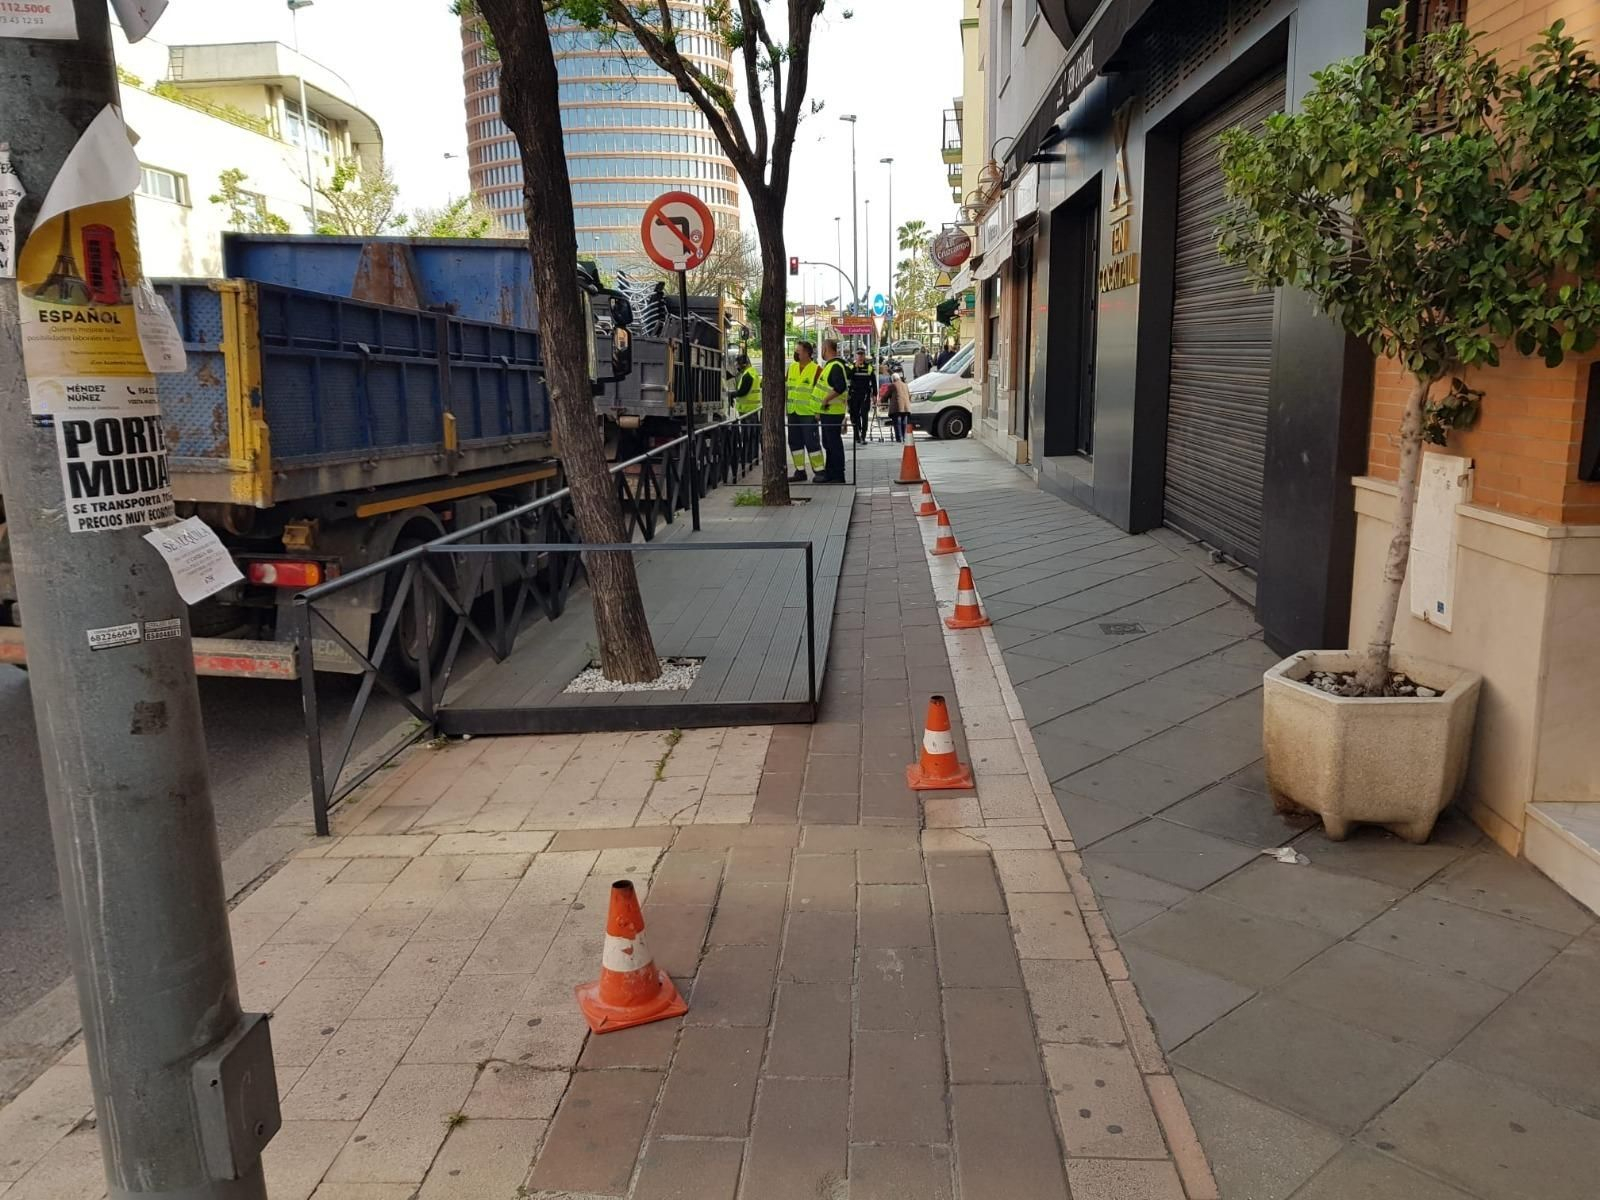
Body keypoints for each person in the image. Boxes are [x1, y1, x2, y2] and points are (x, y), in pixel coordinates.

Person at [813, 338, 850, 483]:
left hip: (833, 412)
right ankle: (830, 473)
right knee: (828, 444)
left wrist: (826, 400)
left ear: (826, 349)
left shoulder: (835, 366)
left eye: (822, 348)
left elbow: (840, 387)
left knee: (833, 444)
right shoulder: (830, 366)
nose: (820, 351)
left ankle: (838, 475)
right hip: (828, 412)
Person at [785, 340, 823, 481]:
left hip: (809, 413)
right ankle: (800, 471)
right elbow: (787, 387)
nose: (796, 353)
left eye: (798, 351)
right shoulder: (792, 367)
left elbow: (822, 392)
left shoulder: (817, 369)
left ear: (807, 353)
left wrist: (818, 411)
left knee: (811, 442)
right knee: (794, 442)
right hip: (793, 411)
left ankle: (819, 472)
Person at [848, 347, 875, 444]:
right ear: (856, 356)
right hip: (854, 395)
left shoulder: (869, 367)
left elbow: (874, 382)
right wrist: (855, 367)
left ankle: (863, 436)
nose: (860, 356)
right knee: (854, 416)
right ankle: (857, 435)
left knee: (864, 416)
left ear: (864, 356)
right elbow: (848, 376)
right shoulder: (851, 367)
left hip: (865, 395)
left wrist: (875, 395)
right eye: (858, 354)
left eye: (862, 354)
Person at [731, 352, 761, 418]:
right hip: (752, 409)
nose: (737, 367)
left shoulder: (748, 375)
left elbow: (743, 391)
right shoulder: (752, 372)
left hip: (747, 410)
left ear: (743, 365)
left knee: (747, 427)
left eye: (738, 365)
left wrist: (732, 394)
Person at [887, 370, 912, 443]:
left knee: (897, 423)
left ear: (893, 379)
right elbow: (909, 396)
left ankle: (899, 438)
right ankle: (904, 438)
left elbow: (886, 396)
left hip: (897, 408)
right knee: (904, 422)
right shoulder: (905, 385)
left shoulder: (892, 385)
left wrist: (881, 401)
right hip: (906, 407)